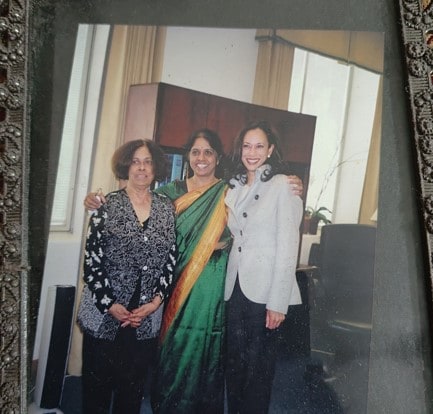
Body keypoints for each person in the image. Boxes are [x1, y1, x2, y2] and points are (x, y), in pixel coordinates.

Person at [83, 129, 304, 413]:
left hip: (211, 284)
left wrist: (291, 182)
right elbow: (133, 204)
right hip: (174, 283)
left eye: (208, 152)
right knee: (169, 350)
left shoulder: (229, 190)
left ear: (217, 157)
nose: (201, 158)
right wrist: (94, 201)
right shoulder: (167, 194)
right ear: (188, 156)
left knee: (206, 348)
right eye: (196, 152)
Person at [77, 139, 177, 414]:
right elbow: (92, 262)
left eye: (147, 161)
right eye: (135, 161)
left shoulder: (167, 208)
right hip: (105, 314)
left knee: (131, 391)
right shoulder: (105, 206)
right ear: (126, 166)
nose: (142, 168)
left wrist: (155, 304)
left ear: (156, 167)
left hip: (145, 316)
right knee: (96, 392)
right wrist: (111, 305)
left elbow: (170, 259)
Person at [224, 120, 304, 414]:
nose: (252, 152)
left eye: (259, 146)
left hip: (265, 292)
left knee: (258, 372)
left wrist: (278, 303)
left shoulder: (283, 185)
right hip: (234, 288)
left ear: (270, 150)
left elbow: (288, 247)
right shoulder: (233, 187)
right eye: (247, 145)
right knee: (234, 366)